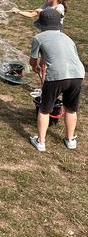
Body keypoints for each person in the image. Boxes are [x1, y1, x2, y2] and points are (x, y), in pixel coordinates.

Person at [28, 9, 85, 152]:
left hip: (57, 77)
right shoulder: (67, 38)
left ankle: (40, 142)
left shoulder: (38, 38)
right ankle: (70, 140)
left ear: (41, 25)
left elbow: (33, 60)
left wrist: (35, 67)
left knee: (45, 109)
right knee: (71, 109)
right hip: (77, 75)